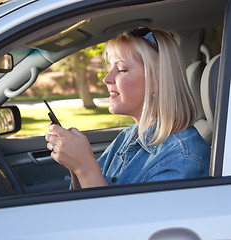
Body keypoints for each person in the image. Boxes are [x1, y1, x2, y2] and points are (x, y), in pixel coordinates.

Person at [45, 27, 210, 189]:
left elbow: (117, 217)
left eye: (122, 69)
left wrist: (85, 167)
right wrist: (75, 164)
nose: (106, 79)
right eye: (110, 67)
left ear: (157, 80)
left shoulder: (183, 158)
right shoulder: (130, 135)